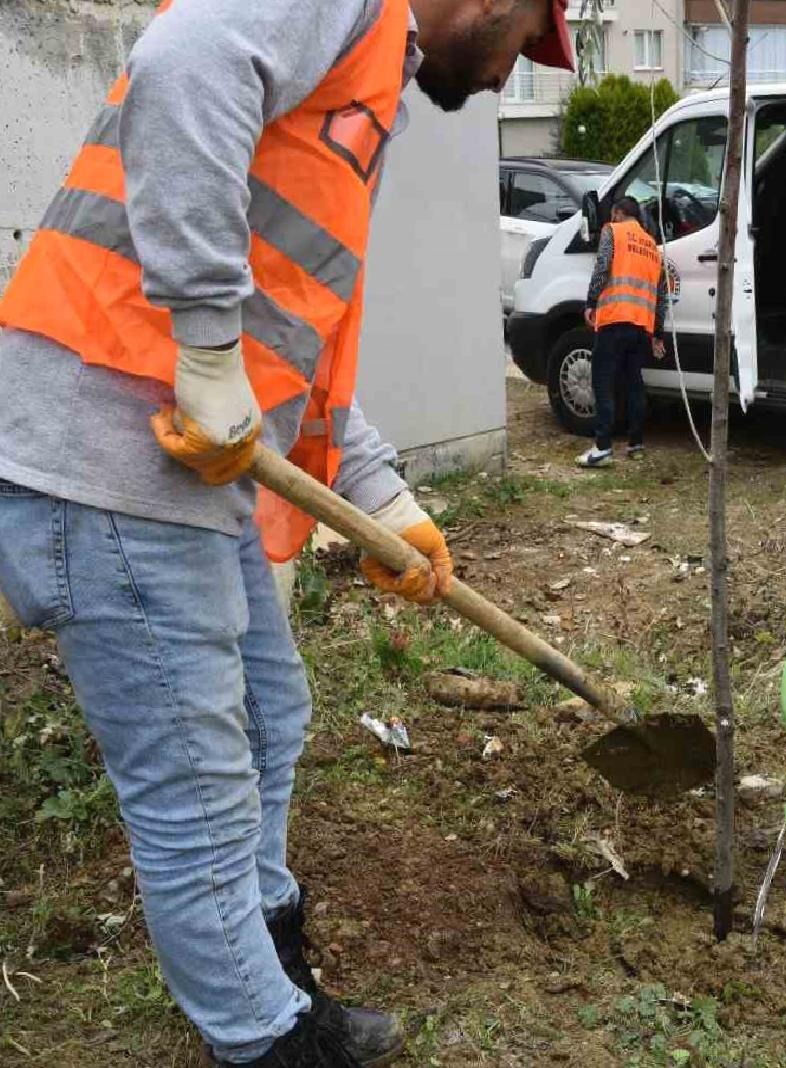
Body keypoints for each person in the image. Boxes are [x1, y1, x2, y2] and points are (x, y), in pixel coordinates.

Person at [0, 2, 574, 1065]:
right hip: (109, 452)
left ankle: (265, 955)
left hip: (186, 464)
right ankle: (264, 1041)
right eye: (525, 46)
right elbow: (183, 60)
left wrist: (380, 493)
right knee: (195, 783)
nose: (508, 77)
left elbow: (294, 335)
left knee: (273, 709)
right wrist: (207, 348)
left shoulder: (360, 94)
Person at [580, 196, 669, 466]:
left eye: (613, 214)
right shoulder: (653, 247)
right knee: (633, 384)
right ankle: (636, 443)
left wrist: (591, 301)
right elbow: (660, 296)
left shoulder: (613, 231)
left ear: (618, 213)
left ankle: (603, 447)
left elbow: (602, 266)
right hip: (640, 326)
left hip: (614, 318)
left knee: (602, 380)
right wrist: (657, 333)